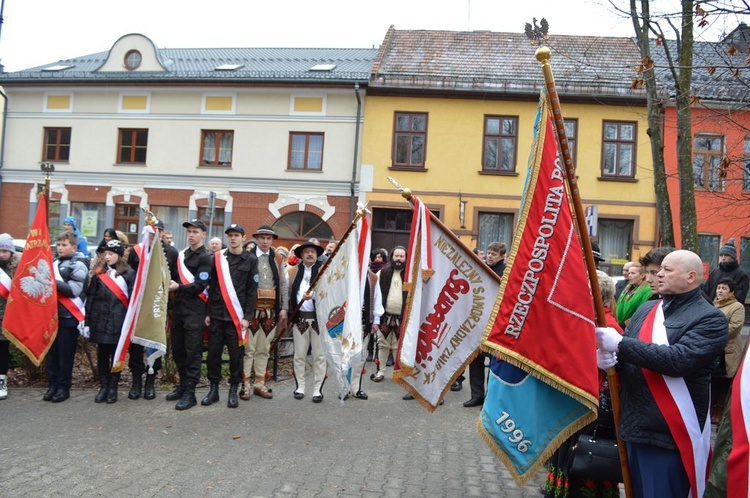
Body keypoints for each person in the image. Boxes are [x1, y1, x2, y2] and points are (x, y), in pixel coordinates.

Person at [596, 249, 728, 498]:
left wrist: (621, 345)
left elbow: (679, 360)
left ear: (691, 277)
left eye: (667, 270)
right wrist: (609, 362)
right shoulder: (647, 309)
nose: (658, 276)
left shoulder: (711, 318)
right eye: (657, 271)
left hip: (669, 434)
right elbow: (630, 359)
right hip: (634, 425)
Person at [545, 270, 622, 498]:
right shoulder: (585, 322)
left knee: (585, 466)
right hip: (574, 407)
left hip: (590, 411)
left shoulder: (607, 327)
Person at [203, 224, 258, 409]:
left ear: (243, 237)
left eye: (236, 235)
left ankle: (234, 389)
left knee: (236, 356)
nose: (233, 238)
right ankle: (213, 389)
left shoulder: (250, 260)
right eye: (230, 236)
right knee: (213, 355)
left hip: (237, 317)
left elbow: (252, 291)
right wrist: (209, 312)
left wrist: (247, 317)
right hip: (217, 315)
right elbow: (212, 286)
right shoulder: (218, 258)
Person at [125, 219, 179, 400]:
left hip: (157, 305)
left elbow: (174, 277)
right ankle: (136, 381)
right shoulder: (136, 251)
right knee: (136, 345)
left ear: (162, 233)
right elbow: (130, 276)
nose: (153, 234)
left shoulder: (170, 252)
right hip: (138, 305)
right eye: (150, 231)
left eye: (158, 231)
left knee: (153, 342)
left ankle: (150, 380)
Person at [166, 219, 212, 411]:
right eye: (189, 232)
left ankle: (190, 392)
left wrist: (178, 286)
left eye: (195, 231)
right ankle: (183, 384)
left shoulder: (206, 257)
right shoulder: (182, 255)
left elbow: (200, 286)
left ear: (203, 234)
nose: (191, 235)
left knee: (192, 352)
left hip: (195, 309)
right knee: (178, 350)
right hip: (179, 309)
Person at [240, 225, 288, 401]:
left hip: (270, 311)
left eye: (269, 238)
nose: (265, 241)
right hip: (251, 310)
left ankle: (259, 384)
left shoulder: (277, 258)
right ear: (257, 239)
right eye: (262, 238)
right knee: (248, 349)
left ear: (272, 240)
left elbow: (283, 283)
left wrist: (284, 307)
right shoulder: (248, 257)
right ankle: (245, 385)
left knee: (264, 349)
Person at [84, 240, 135, 404]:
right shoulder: (100, 274)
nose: (107, 257)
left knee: (116, 357)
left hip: (118, 322)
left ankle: (113, 387)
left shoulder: (128, 273)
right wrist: (87, 321)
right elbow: (91, 298)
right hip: (100, 321)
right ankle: (104, 386)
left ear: (119, 255)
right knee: (102, 356)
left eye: (111, 253)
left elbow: (134, 301)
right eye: (105, 253)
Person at [44, 232, 88, 403]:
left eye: (64, 245)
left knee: (65, 355)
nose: (60, 248)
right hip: (51, 316)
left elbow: (73, 291)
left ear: (74, 247)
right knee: (52, 355)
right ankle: (52, 385)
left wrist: (51, 281)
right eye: (59, 244)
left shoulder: (79, 264)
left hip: (68, 316)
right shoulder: (53, 263)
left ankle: (64, 387)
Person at [464, 241, 507, 407]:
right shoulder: (481, 269)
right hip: (477, 322)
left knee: (493, 364)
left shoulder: (505, 273)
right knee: (475, 361)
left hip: (495, 325)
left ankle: (489, 398)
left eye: (494, 254)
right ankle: (477, 395)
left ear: (502, 256)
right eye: (489, 253)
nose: (489, 256)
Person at [287, 241, 326, 403]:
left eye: (313, 252)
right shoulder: (293, 272)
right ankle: (300, 387)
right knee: (299, 355)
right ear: (301, 255)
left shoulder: (324, 271)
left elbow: (329, 293)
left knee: (319, 356)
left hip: (319, 320)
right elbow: (287, 293)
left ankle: (317, 389)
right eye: (306, 252)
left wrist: (315, 295)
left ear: (317, 255)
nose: (310, 254)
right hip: (300, 319)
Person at [711, 277, 745, 424]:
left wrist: (713, 334)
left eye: (724, 288)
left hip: (728, 349)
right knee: (713, 379)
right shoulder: (713, 304)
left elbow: (735, 326)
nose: (720, 291)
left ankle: (719, 411)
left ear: (732, 292)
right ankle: (711, 410)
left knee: (724, 382)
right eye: (719, 288)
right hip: (713, 348)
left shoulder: (737, 307)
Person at [371, 246, 407, 385]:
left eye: (401, 256)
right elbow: (375, 294)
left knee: (400, 346)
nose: (398, 259)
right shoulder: (383, 272)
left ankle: (399, 373)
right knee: (383, 345)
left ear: (405, 258)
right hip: (385, 315)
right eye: (396, 256)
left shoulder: (410, 275)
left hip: (402, 317)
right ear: (392, 257)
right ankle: (381, 372)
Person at [351, 265, 383, 400]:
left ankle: (356, 388)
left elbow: (377, 300)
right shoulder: (345, 272)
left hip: (364, 321)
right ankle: (344, 387)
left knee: (361, 355)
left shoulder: (373, 278)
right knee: (345, 355)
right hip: (347, 321)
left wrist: (376, 320)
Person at [0, 233, 20, 399]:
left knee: (3, 350)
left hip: (8, 316)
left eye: (4, 251)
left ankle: (2, 379)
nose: (1, 254)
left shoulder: (17, 268)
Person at [703, 238, 749, 303]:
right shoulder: (714, 272)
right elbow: (706, 291)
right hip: (710, 308)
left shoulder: (741, 275)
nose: (723, 258)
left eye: (727, 255)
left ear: (733, 257)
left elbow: (739, 297)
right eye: (721, 255)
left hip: (729, 310)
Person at [615, 262, 651, 327]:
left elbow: (642, 313)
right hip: (619, 324)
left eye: (633, 273)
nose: (629, 275)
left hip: (633, 326)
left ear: (642, 275)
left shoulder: (648, 291)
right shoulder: (628, 288)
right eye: (629, 273)